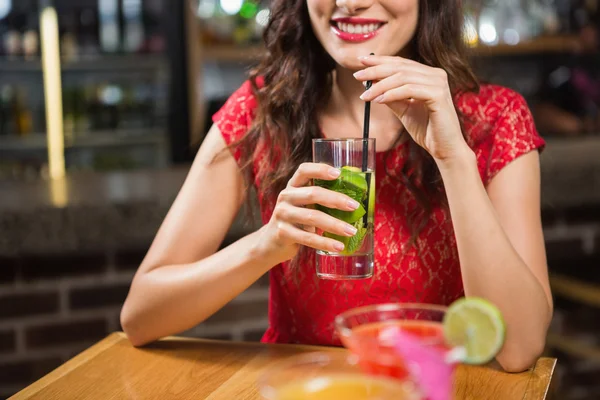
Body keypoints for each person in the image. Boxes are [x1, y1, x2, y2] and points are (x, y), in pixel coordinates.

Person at [121, 0, 553, 373]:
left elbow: (521, 347)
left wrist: (453, 157)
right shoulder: (262, 110)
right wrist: (268, 244)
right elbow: (141, 316)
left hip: (435, 389)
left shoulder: (496, 117)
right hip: (306, 387)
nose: (351, 2)